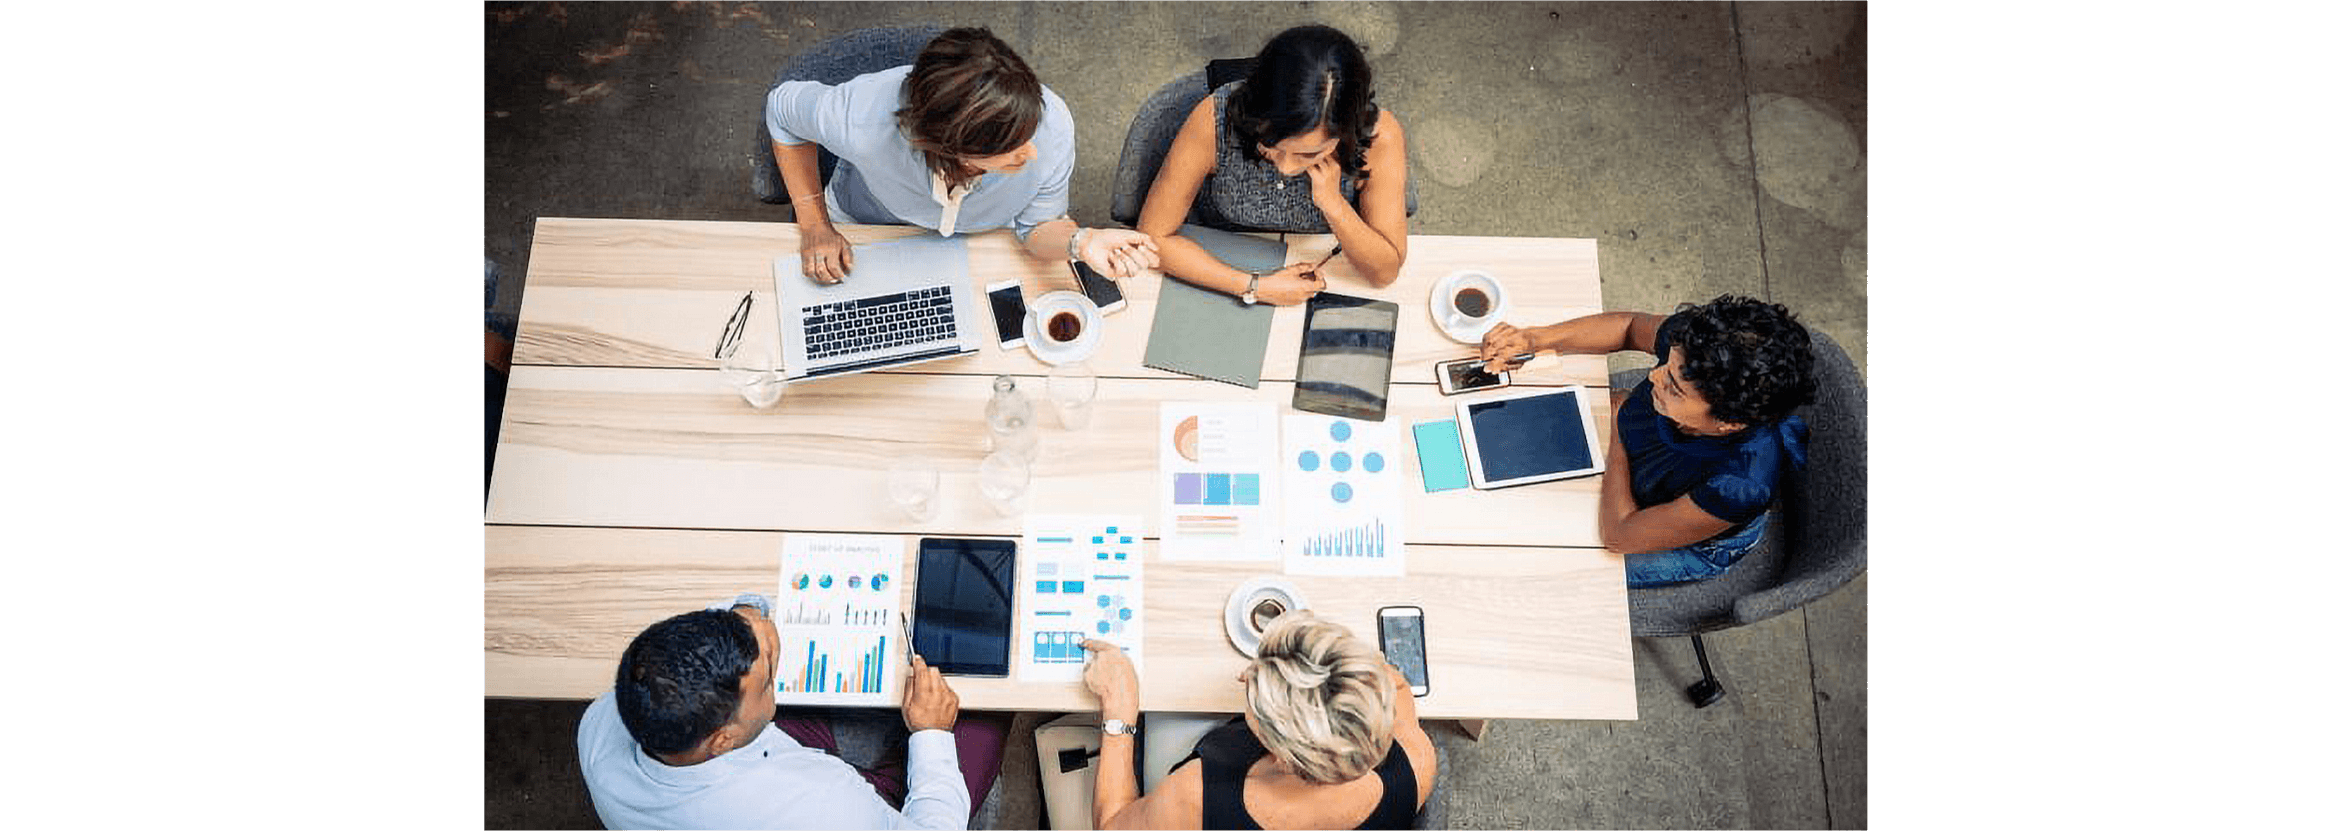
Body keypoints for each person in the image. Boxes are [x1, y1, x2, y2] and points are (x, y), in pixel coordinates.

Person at [764, 27, 1158, 287]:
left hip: (984, 239)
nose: (1033, 152)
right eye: (1011, 146)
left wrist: (1081, 242)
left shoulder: (1052, 126)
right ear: (948, 145)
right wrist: (814, 224)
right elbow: (782, 110)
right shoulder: (861, 119)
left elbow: (1036, 227)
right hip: (868, 225)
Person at [577, 594, 1005, 830]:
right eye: (768, 679)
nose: (773, 657)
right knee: (986, 715)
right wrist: (931, 732)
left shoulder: (604, 721)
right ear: (723, 736)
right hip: (838, 807)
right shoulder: (820, 807)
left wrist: (743, 616)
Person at [1476, 295, 1818, 586]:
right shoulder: (1695, 345)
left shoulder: (1739, 484)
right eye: (1665, 365)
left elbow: (1620, 535)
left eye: (1673, 387)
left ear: (1728, 423)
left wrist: (1617, 435)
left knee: (1544, 572)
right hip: (1638, 466)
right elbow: (1628, 327)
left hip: (1681, 536)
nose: (1653, 376)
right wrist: (1536, 339)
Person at [1076, 610, 1436, 830]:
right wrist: (1300, 662)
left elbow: (1111, 824)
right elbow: (1394, 681)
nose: (1245, 676)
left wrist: (1119, 710)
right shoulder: (1417, 762)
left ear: (1279, 753)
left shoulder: (1196, 794)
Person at [1135, 24, 1412, 306]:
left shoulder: (1380, 137)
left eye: (1307, 154)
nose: (1286, 168)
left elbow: (1384, 273)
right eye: (1271, 146)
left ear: (1345, 132)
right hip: (1219, 252)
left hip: (1323, 264)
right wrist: (1255, 286)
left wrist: (1334, 204)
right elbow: (1150, 239)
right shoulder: (1214, 120)